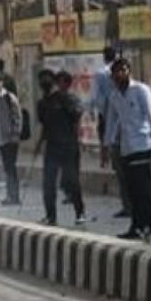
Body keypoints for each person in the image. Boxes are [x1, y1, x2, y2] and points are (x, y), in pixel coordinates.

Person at [103, 58, 151, 240]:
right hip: (126, 146)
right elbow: (112, 122)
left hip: (143, 143)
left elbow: (150, 114)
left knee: (143, 186)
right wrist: (107, 145)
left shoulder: (141, 90)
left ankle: (146, 224)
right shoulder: (114, 96)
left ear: (129, 71)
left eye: (123, 70)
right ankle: (137, 225)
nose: (120, 74)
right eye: (116, 71)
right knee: (131, 188)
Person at [35, 69, 86, 225]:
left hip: (68, 146)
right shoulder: (42, 104)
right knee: (48, 183)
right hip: (52, 147)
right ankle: (51, 216)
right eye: (42, 80)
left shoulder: (66, 98)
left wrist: (78, 139)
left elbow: (77, 116)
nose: (44, 82)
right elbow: (45, 126)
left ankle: (80, 212)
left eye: (47, 79)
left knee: (72, 181)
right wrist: (39, 144)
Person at [92, 46, 131, 219]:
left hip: (112, 122)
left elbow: (97, 99)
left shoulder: (101, 74)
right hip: (126, 127)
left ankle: (129, 205)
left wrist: (104, 113)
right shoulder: (129, 87)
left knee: (122, 170)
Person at [0, 72, 24, 205]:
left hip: (10, 138)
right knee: (7, 167)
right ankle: (10, 195)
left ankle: (14, 196)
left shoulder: (9, 97)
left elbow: (17, 116)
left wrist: (15, 133)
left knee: (10, 167)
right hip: (1, 138)